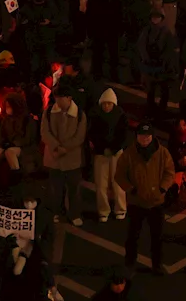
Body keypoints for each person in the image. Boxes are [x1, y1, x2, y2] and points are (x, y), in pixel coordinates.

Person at [115, 123, 175, 275]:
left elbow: (169, 172)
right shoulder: (129, 154)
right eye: (142, 135)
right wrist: (131, 189)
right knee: (132, 236)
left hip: (156, 202)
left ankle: (157, 264)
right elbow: (120, 175)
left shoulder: (163, 153)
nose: (145, 139)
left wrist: (162, 188)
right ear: (136, 137)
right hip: (137, 202)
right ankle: (129, 263)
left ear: (152, 136)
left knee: (157, 237)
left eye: (147, 136)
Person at [40, 83, 87, 226]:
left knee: (74, 190)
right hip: (54, 159)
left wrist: (64, 148)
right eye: (56, 98)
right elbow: (44, 132)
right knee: (56, 190)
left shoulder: (79, 114)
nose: (58, 101)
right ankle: (58, 212)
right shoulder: (48, 112)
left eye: (60, 98)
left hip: (72, 159)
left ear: (69, 98)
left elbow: (80, 136)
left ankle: (74, 214)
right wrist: (56, 146)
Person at [88, 87, 128, 223]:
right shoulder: (95, 116)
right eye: (104, 103)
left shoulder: (121, 116)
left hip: (115, 153)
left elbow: (124, 136)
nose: (106, 106)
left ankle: (120, 209)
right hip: (101, 154)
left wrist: (113, 148)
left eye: (109, 103)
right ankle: (103, 210)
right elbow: (93, 134)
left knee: (118, 183)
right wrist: (103, 148)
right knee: (101, 185)